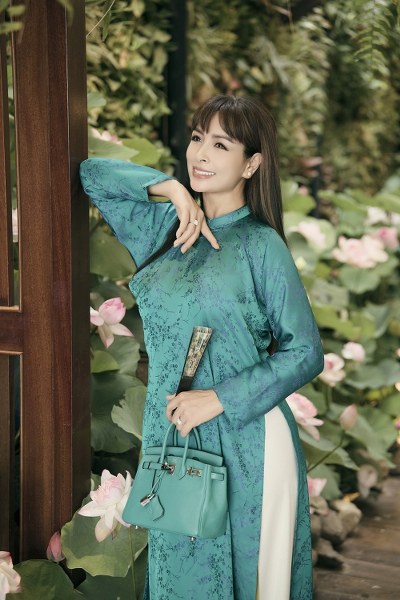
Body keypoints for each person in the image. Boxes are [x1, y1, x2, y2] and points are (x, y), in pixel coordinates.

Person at [80, 94, 324, 600]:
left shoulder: (261, 245)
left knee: (248, 579)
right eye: (197, 138)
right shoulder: (161, 229)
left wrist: (218, 398)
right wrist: (171, 190)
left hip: (246, 439)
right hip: (173, 435)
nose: (202, 154)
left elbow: (304, 351)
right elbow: (91, 174)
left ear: (251, 164)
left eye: (221, 145)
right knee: (181, 577)